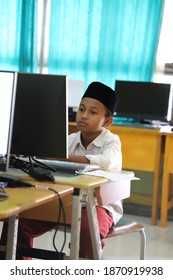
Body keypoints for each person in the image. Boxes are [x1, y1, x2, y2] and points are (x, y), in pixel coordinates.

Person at [0, 81, 123, 260]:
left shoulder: (112, 141)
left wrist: (60, 156)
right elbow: (46, 160)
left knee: (88, 227)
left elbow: (105, 162)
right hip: (66, 202)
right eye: (81, 109)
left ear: (108, 121)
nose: (84, 115)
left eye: (93, 112)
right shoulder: (71, 139)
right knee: (19, 222)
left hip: (101, 206)